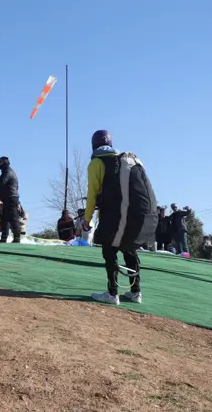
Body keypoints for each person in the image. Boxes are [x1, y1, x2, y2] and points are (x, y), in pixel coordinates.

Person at [83, 130, 157, 305]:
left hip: (114, 215)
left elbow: (93, 193)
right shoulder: (124, 161)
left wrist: (87, 219)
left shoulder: (97, 162)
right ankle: (135, 292)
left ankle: (112, 293)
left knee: (109, 251)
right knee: (129, 249)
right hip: (133, 215)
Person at [0, 156, 21, 243]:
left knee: (13, 217)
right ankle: (4, 237)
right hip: (8, 198)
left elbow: (1, 182)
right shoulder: (7, 171)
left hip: (11, 198)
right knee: (5, 218)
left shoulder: (8, 172)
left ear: (4, 163)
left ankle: (16, 238)